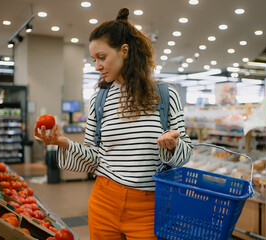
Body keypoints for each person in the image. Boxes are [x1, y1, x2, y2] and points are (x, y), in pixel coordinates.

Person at [34, 7, 193, 240]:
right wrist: (63, 142)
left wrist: (172, 146)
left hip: (149, 207)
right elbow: (94, 156)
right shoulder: (100, 99)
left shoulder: (166, 95)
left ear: (124, 51)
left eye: (102, 57)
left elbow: (186, 152)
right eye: (93, 59)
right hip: (103, 200)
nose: (97, 66)